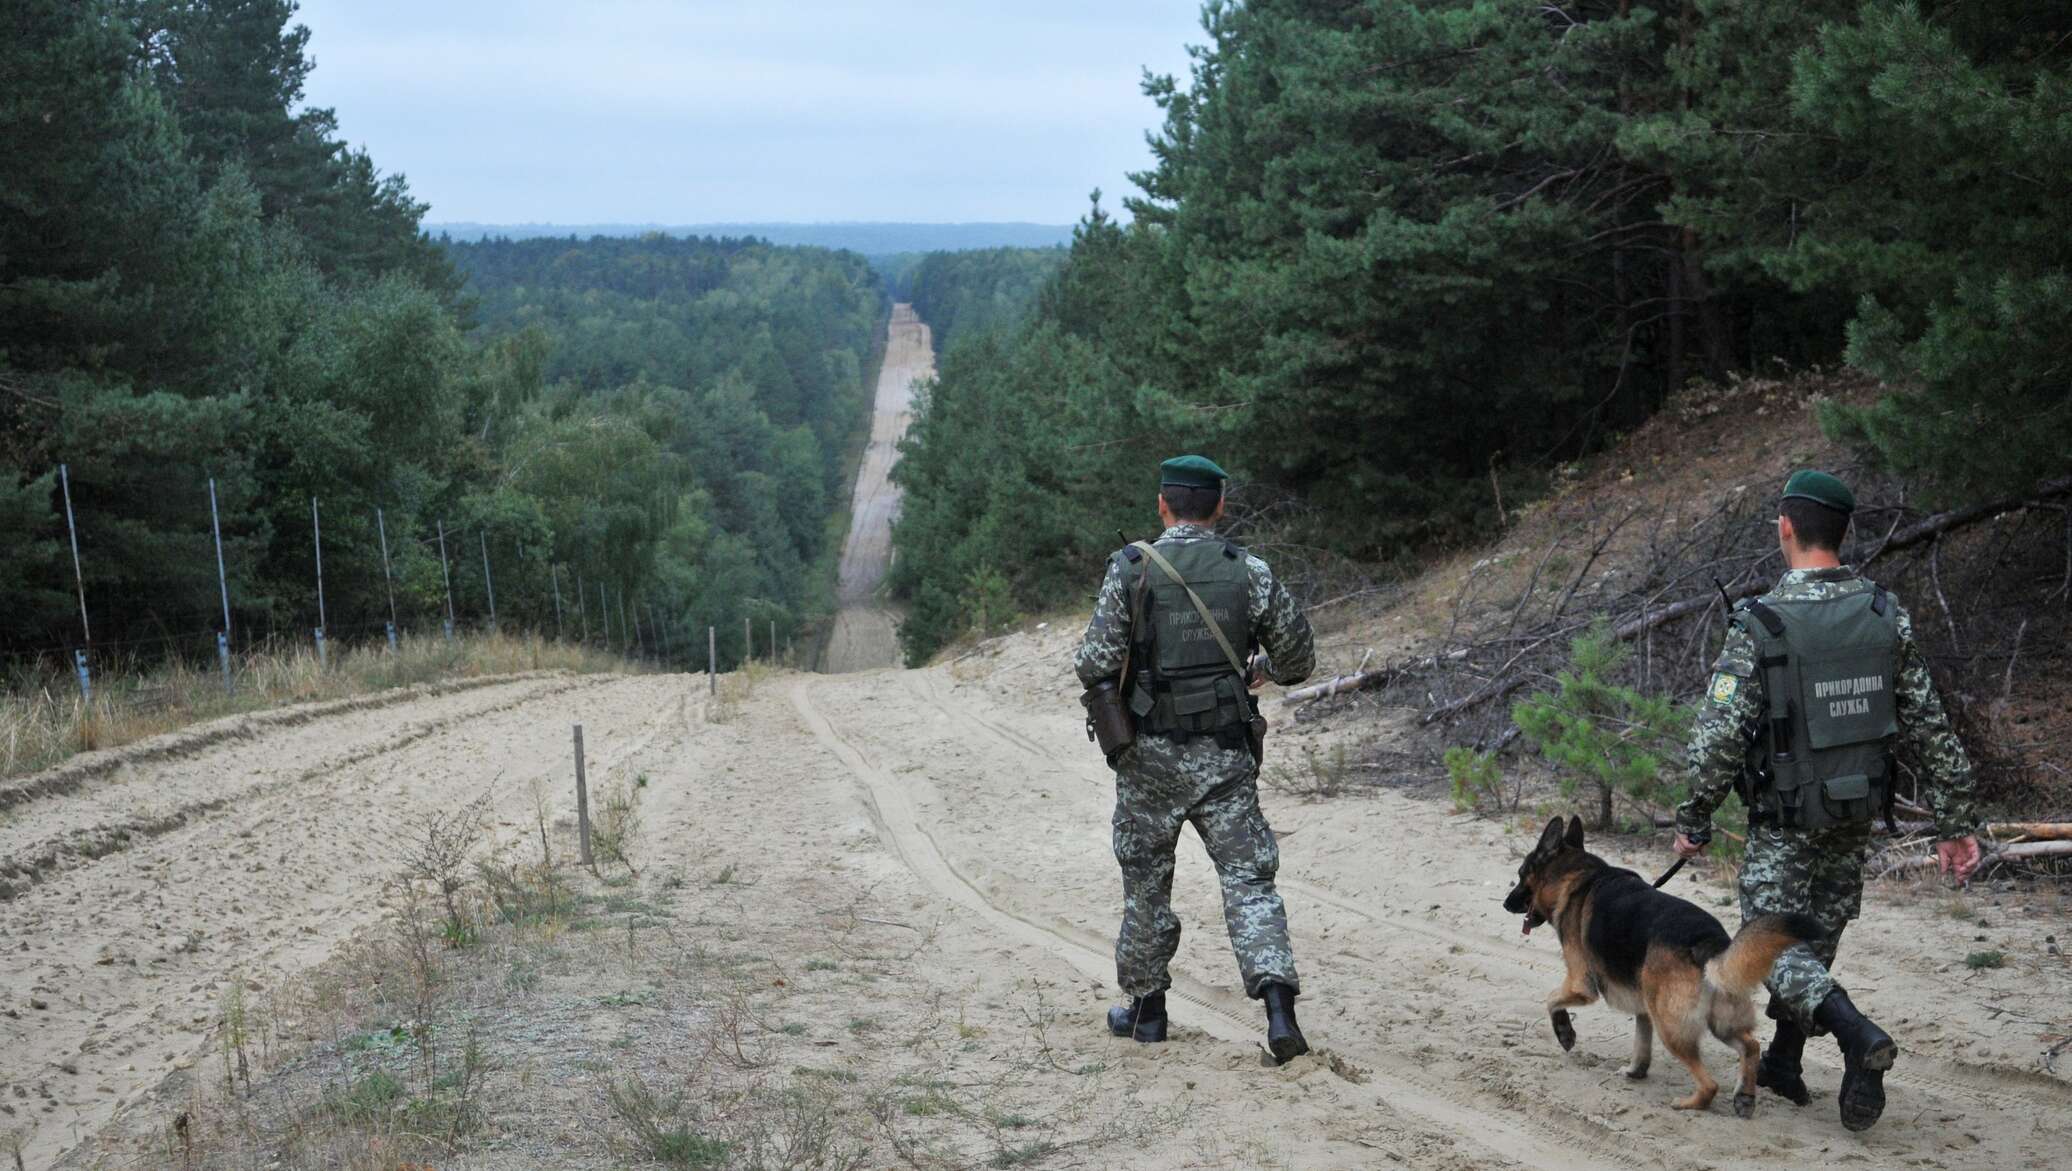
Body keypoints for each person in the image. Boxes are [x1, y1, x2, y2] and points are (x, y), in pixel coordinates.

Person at [1674, 469, 1982, 1131]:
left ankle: (1853, 1034)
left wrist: (1694, 816)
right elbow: (1929, 722)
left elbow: (1718, 735)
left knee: (1770, 941)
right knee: (1815, 930)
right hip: (1855, 808)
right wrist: (1955, 822)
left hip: (1785, 816)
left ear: (1785, 526)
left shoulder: (1763, 621)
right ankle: (1785, 1060)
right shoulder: (1882, 614)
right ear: (1842, 531)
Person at [1074, 454, 1317, 1063]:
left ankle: (1147, 1012)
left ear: (1163, 505)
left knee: (1146, 884)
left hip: (1148, 760)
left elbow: (1092, 662)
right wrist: (1256, 666)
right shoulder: (1250, 572)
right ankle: (1279, 1010)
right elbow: (1298, 660)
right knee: (1249, 881)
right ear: (1219, 506)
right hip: (1225, 757)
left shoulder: (1129, 568)